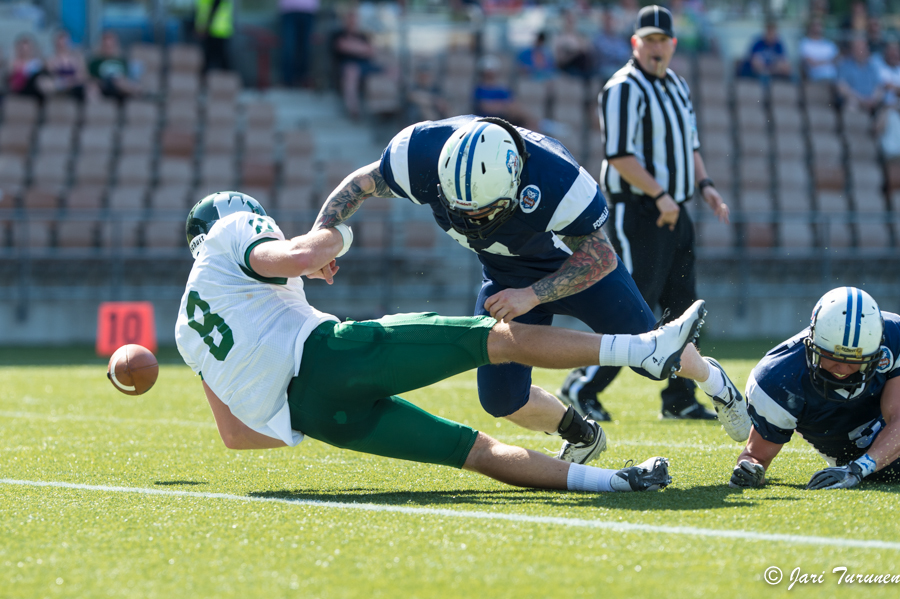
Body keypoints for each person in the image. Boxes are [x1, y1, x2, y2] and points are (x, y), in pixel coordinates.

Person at [174, 191, 710, 493]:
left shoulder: (185, 325)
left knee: (474, 452)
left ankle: (616, 483)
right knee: (495, 338)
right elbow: (291, 257)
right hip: (331, 356)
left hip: (314, 416)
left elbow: (239, 436)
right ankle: (642, 350)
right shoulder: (233, 230)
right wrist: (335, 235)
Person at [309, 117, 751, 462]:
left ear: (516, 180)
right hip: (504, 274)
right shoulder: (420, 152)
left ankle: (716, 383)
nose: (471, 223)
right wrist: (321, 234)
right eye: (460, 211)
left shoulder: (558, 178)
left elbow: (602, 257)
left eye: (484, 212)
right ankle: (581, 434)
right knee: (501, 399)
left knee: (652, 357)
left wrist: (533, 295)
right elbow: (362, 184)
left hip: (572, 267)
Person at [560, 5, 733, 424]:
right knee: (632, 302)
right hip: (638, 210)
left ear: (673, 45)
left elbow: (690, 144)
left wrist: (705, 186)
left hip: (676, 208)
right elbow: (619, 155)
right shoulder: (623, 87)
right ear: (635, 43)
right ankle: (582, 386)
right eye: (648, 40)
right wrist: (659, 195)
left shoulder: (677, 85)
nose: (656, 48)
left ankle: (678, 397)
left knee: (683, 304)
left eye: (663, 40)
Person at [729, 287, 900, 490]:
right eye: (833, 357)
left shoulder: (894, 336)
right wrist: (750, 471)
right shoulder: (779, 377)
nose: (843, 368)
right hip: (857, 460)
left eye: (857, 360)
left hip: (868, 458)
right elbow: (756, 456)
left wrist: (858, 469)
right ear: (812, 342)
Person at [331, 8, 377, 120]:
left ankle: (385, 110)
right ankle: (354, 110)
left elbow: (371, 51)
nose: (352, 22)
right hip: (348, 67)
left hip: (366, 66)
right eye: (350, 19)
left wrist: (354, 46)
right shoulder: (338, 34)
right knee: (351, 71)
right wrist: (361, 48)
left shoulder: (363, 35)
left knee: (392, 71)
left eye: (354, 19)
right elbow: (342, 46)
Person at [473, 55, 538, 130]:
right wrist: (503, 107)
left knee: (524, 117)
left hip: (507, 116)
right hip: (492, 119)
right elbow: (485, 107)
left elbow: (513, 103)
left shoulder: (501, 89)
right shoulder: (480, 89)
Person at [88, 31, 141, 102]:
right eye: (106, 46)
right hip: (105, 86)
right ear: (102, 46)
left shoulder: (122, 61)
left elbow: (126, 76)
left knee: (124, 80)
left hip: (120, 87)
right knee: (116, 81)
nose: (109, 48)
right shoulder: (96, 61)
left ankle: (134, 91)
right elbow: (92, 78)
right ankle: (136, 92)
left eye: (111, 46)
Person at [836, 37, 885, 113]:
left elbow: (879, 87)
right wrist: (861, 99)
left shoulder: (872, 66)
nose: (861, 51)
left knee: (886, 106)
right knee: (851, 104)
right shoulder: (844, 65)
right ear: (852, 50)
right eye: (857, 49)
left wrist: (873, 99)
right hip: (854, 99)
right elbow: (842, 87)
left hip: (872, 102)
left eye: (863, 49)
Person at [279, 0, 318, 87]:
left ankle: (302, 79)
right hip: (288, 9)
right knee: (289, 47)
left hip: (308, 9)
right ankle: (287, 80)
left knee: (305, 48)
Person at [7, 34, 53, 102]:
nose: (25, 51)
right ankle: (51, 88)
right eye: (23, 48)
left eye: (27, 48)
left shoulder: (36, 61)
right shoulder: (15, 62)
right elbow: (10, 77)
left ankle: (50, 88)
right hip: (22, 86)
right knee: (37, 76)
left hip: (36, 88)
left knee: (43, 74)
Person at [46, 30, 89, 101]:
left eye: (64, 43)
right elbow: (51, 75)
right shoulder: (51, 59)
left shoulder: (77, 58)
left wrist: (71, 81)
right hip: (58, 86)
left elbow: (83, 75)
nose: (62, 45)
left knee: (88, 88)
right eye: (60, 43)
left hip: (75, 85)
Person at [195, 0, 234, 72]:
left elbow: (214, 8)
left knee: (215, 57)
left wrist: (205, 28)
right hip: (216, 30)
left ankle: (208, 78)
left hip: (215, 30)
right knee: (216, 57)